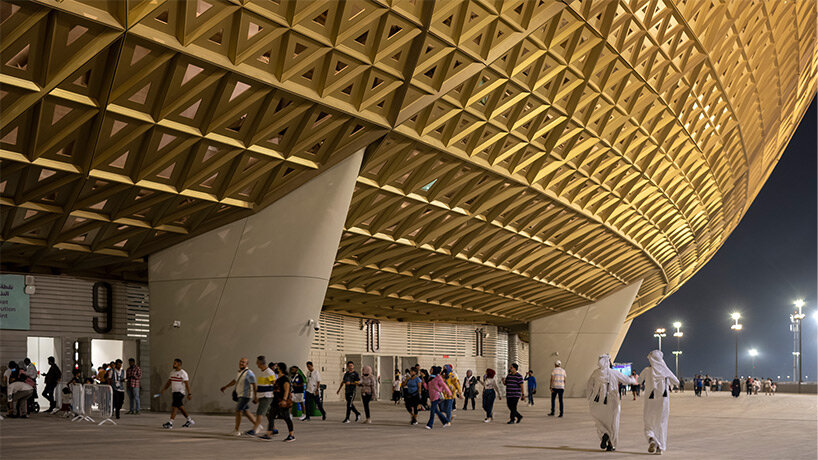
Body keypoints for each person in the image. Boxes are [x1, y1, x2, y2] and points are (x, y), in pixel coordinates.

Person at [587, 354, 638, 451]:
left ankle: (604, 434)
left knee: (599, 420)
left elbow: (589, 386)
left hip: (597, 402)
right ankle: (611, 443)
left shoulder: (595, 373)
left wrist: (589, 397)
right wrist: (633, 380)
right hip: (612, 402)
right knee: (613, 422)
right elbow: (626, 380)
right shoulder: (614, 373)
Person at [638, 350, 679, 455]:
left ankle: (651, 438)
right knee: (661, 423)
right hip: (663, 402)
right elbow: (676, 381)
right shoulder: (665, 371)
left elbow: (638, 381)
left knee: (648, 422)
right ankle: (659, 447)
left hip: (650, 401)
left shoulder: (647, 370)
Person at [220, 357, 257, 436]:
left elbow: (254, 384)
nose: (241, 363)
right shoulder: (240, 372)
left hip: (245, 395)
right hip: (240, 394)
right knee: (246, 411)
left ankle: (236, 430)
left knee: (238, 410)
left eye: (243, 362)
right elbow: (235, 381)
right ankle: (257, 425)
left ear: (247, 364)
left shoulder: (249, 373)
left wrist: (255, 396)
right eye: (240, 362)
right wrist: (226, 386)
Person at [261, 362, 295, 442]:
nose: (275, 368)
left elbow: (287, 389)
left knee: (287, 418)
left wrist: (284, 400)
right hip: (276, 401)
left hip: (282, 402)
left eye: (277, 367)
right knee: (271, 416)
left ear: (280, 369)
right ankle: (269, 434)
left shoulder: (285, 379)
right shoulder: (278, 379)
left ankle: (291, 435)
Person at [159, 358, 194, 429]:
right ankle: (189, 420)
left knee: (175, 407)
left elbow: (187, 384)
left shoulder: (183, 373)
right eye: (173, 363)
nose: (173, 364)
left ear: (179, 364)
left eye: (175, 363)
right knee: (180, 407)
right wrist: (164, 389)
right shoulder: (172, 373)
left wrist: (189, 393)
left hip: (180, 392)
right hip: (174, 392)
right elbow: (169, 382)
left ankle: (170, 423)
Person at [246, 356, 275, 436]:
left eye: (257, 363)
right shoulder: (263, 372)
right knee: (269, 414)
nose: (256, 365)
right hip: (263, 396)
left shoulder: (269, 372)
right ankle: (273, 429)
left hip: (267, 396)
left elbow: (274, 383)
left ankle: (254, 430)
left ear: (260, 363)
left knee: (260, 413)